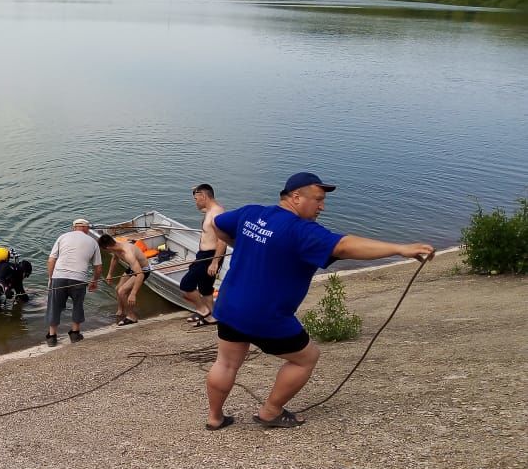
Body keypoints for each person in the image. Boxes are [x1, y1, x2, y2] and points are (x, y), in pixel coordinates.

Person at [203, 172, 434, 431]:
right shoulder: (301, 231)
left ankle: (215, 418)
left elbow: (218, 224)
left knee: (226, 362)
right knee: (306, 357)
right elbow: (344, 246)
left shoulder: (251, 213)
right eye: (318, 200)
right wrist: (400, 249)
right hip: (267, 316)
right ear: (295, 197)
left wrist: (242, 243)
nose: (322, 206)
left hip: (231, 305)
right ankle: (270, 412)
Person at [46, 218, 103, 347]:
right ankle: (75, 334)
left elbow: (51, 260)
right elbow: (98, 267)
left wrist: (51, 278)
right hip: (79, 278)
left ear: (73, 228)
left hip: (58, 277)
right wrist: (94, 281)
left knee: (54, 305)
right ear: (87, 229)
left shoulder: (62, 237)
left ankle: (52, 337)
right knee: (78, 305)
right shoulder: (93, 242)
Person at [179, 183, 226, 328]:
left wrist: (214, 262)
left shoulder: (216, 214)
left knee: (186, 285)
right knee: (205, 288)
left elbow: (222, 241)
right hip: (204, 255)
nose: (195, 202)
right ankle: (212, 317)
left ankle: (203, 310)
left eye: (196, 198)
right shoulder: (211, 210)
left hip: (210, 256)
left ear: (204, 196)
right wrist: (195, 190)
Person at [97, 233, 150, 325]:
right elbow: (114, 259)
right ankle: (121, 311)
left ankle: (132, 317)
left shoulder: (127, 253)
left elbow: (140, 274)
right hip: (133, 267)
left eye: (103, 249)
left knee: (122, 291)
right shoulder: (115, 247)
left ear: (108, 248)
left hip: (142, 270)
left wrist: (133, 293)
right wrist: (109, 274)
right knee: (118, 289)